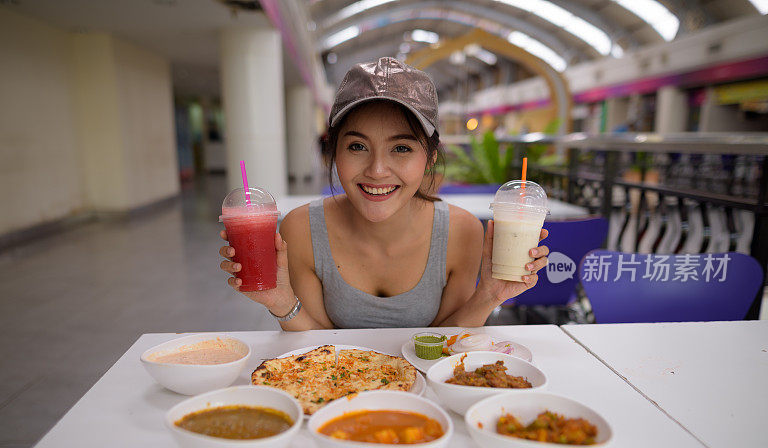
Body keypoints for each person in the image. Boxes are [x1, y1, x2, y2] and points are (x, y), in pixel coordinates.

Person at [219, 57, 549, 330]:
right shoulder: (301, 229)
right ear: (334, 152)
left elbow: (443, 343)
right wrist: (280, 300)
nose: (377, 170)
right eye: (358, 146)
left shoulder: (461, 232)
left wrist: (489, 295)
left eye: (401, 148)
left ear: (430, 157)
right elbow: (316, 350)